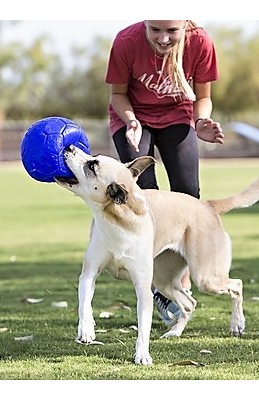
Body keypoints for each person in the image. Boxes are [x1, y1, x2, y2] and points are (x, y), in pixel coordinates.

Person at [105, 20, 224, 325]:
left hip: (177, 117)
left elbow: (203, 96)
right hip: (134, 120)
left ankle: (177, 280)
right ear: (145, 24)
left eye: (171, 31)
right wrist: (131, 121)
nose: (163, 38)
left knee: (189, 197)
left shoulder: (200, 43)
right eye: (155, 29)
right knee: (143, 196)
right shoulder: (127, 41)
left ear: (184, 25)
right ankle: (155, 285)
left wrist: (201, 123)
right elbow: (118, 95)